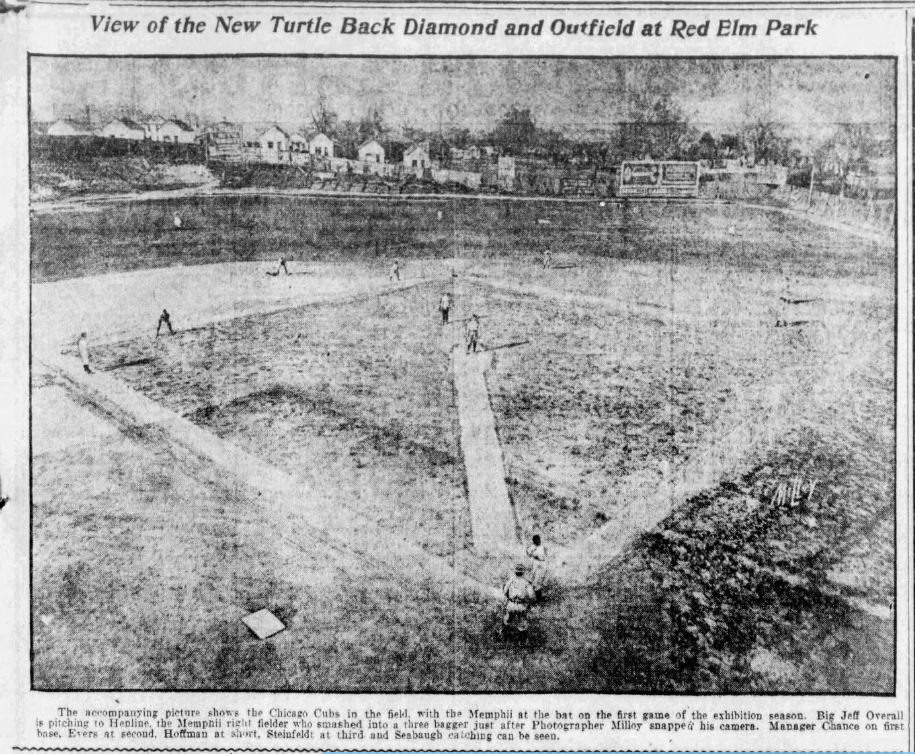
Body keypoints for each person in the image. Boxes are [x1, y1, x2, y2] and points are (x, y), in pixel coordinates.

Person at [502, 563, 536, 636]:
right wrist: (528, 603)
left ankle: (505, 636)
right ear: (523, 572)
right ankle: (521, 640)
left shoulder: (510, 581)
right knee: (522, 623)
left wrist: (509, 597)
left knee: (507, 619)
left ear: (515, 572)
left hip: (511, 604)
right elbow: (532, 595)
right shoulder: (526, 583)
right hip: (521, 605)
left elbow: (504, 591)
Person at [526, 534, 547, 599]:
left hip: (541, 565)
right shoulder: (533, 547)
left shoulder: (542, 547)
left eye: (538, 540)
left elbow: (544, 557)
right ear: (533, 541)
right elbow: (528, 552)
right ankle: (536, 596)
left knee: (540, 580)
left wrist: (541, 558)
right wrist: (533, 554)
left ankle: (539, 596)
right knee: (535, 580)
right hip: (535, 565)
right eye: (535, 541)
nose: (537, 542)